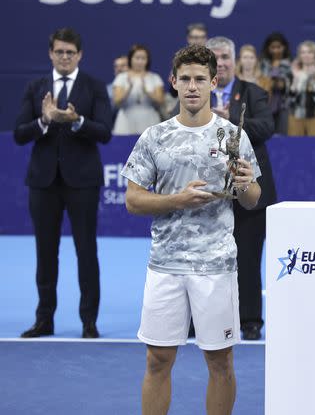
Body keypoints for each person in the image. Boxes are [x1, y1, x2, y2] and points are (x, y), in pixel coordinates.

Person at [122, 44, 262, 414]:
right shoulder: (154, 137)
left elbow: (252, 200)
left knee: (220, 364)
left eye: (200, 79)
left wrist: (246, 183)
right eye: (185, 79)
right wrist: (176, 201)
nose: (192, 86)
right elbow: (133, 200)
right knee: (157, 361)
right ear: (173, 83)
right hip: (165, 266)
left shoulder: (233, 136)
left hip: (216, 267)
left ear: (214, 82)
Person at [13, 27, 112, 339]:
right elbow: (19, 134)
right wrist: (44, 120)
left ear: (79, 55)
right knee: (45, 252)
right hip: (43, 182)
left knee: (86, 250)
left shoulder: (94, 87)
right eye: (60, 52)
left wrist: (76, 121)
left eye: (70, 52)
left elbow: (105, 131)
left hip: (82, 181)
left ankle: (89, 322)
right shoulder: (35, 87)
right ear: (50, 53)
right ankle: (44, 319)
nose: (65, 57)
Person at [207, 36, 278, 340]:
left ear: (234, 61)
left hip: (249, 191)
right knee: (206, 258)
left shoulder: (254, 93)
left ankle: (250, 320)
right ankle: (203, 318)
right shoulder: (194, 92)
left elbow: (266, 128)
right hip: (208, 192)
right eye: (215, 58)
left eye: (225, 57)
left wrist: (231, 120)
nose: (221, 63)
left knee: (247, 258)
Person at [112, 44, 165, 135]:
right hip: (125, 122)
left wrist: (147, 92)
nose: (140, 61)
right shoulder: (121, 77)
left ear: (147, 60)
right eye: (137, 58)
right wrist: (129, 89)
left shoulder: (155, 78)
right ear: (130, 59)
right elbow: (116, 101)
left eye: (143, 58)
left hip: (150, 121)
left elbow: (161, 102)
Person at [286, 40, 315, 136]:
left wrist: (311, 79)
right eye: (303, 52)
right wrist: (295, 80)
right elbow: (289, 99)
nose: (306, 55)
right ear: (299, 55)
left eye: (310, 52)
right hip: (295, 118)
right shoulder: (292, 74)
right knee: (295, 148)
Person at [260, 32, 292, 134]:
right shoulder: (262, 64)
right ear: (268, 48)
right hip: (266, 105)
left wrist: (281, 84)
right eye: (273, 47)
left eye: (279, 47)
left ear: (284, 47)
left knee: (283, 135)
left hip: (283, 106)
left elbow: (290, 85)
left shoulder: (290, 64)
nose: (276, 50)